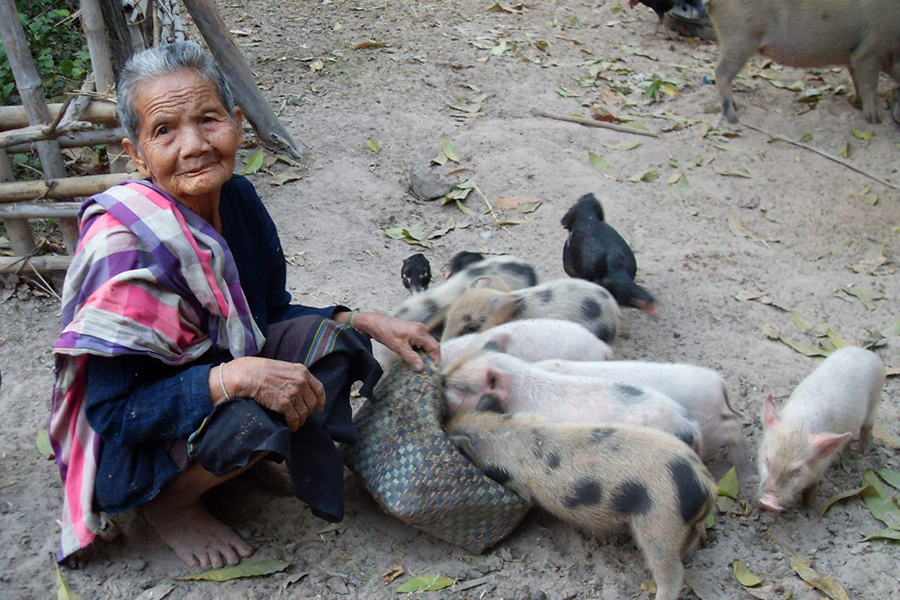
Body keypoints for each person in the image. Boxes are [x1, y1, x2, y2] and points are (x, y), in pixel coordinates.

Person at [48, 40, 440, 570]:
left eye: (208, 119)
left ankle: (234, 464)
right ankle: (171, 504)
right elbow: (115, 412)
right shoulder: (127, 249)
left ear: (236, 122)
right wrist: (232, 380)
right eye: (164, 131)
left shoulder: (239, 200)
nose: (194, 145)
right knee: (256, 409)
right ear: (136, 154)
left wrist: (360, 319)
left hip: (210, 377)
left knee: (337, 346)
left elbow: (268, 312)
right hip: (133, 445)